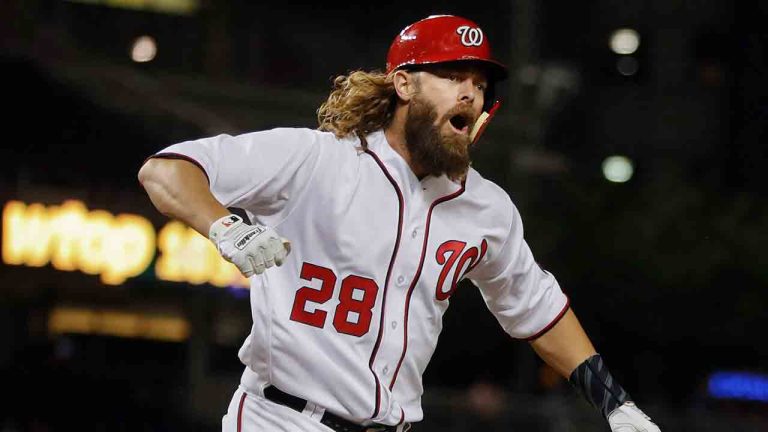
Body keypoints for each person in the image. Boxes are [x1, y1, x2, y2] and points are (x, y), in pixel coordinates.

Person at [138, 14, 661, 432]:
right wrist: (225, 227)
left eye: (479, 84)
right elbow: (166, 170)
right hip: (281, 417)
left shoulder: (487, 209)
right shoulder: (316, 159)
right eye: (452, 75)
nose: (469, 93)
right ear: (403, 84)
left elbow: (536, 308)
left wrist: (614, 402)